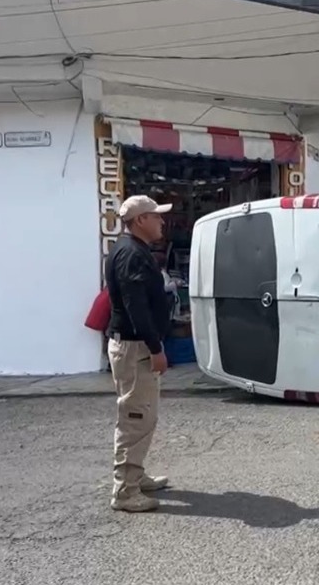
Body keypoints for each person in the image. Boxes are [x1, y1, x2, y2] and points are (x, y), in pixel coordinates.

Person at [105, 195, 174, 513]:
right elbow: (136, 306)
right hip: (136, 348)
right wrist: (156, 347)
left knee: (143, 415)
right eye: (156, 216)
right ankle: (125, 491)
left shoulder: (133, 249)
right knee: (135, 418)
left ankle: (136, 474)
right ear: (140, 221)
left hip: (135, 347)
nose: (161, 221)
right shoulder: (131, 254)